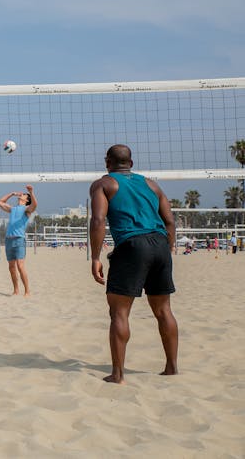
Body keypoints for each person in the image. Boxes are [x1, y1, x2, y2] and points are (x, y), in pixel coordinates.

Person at [89, 144, 178, 384]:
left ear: (107, 162)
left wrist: (95, 257)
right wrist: (166, 250)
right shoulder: (152, 184)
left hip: (132, 246)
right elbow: (169, 221)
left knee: (119, 312)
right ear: (131, 162)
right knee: (163, 310)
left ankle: (118, 374)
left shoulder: (104, 184)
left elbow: (98, 220)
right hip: (160, 244)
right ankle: (171, 368)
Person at [0, 185, 37, 296]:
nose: (22, 194)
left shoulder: (26, 210)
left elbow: (34, 205)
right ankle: (16, 290)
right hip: (9, 240)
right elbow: (0, 202)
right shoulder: (12, 209)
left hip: (19, 240)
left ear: (26, 200)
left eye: (24, 195)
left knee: (20, 265)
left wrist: (31, 192)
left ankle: (27, 291)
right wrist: (12, 193)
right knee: (11, 267)